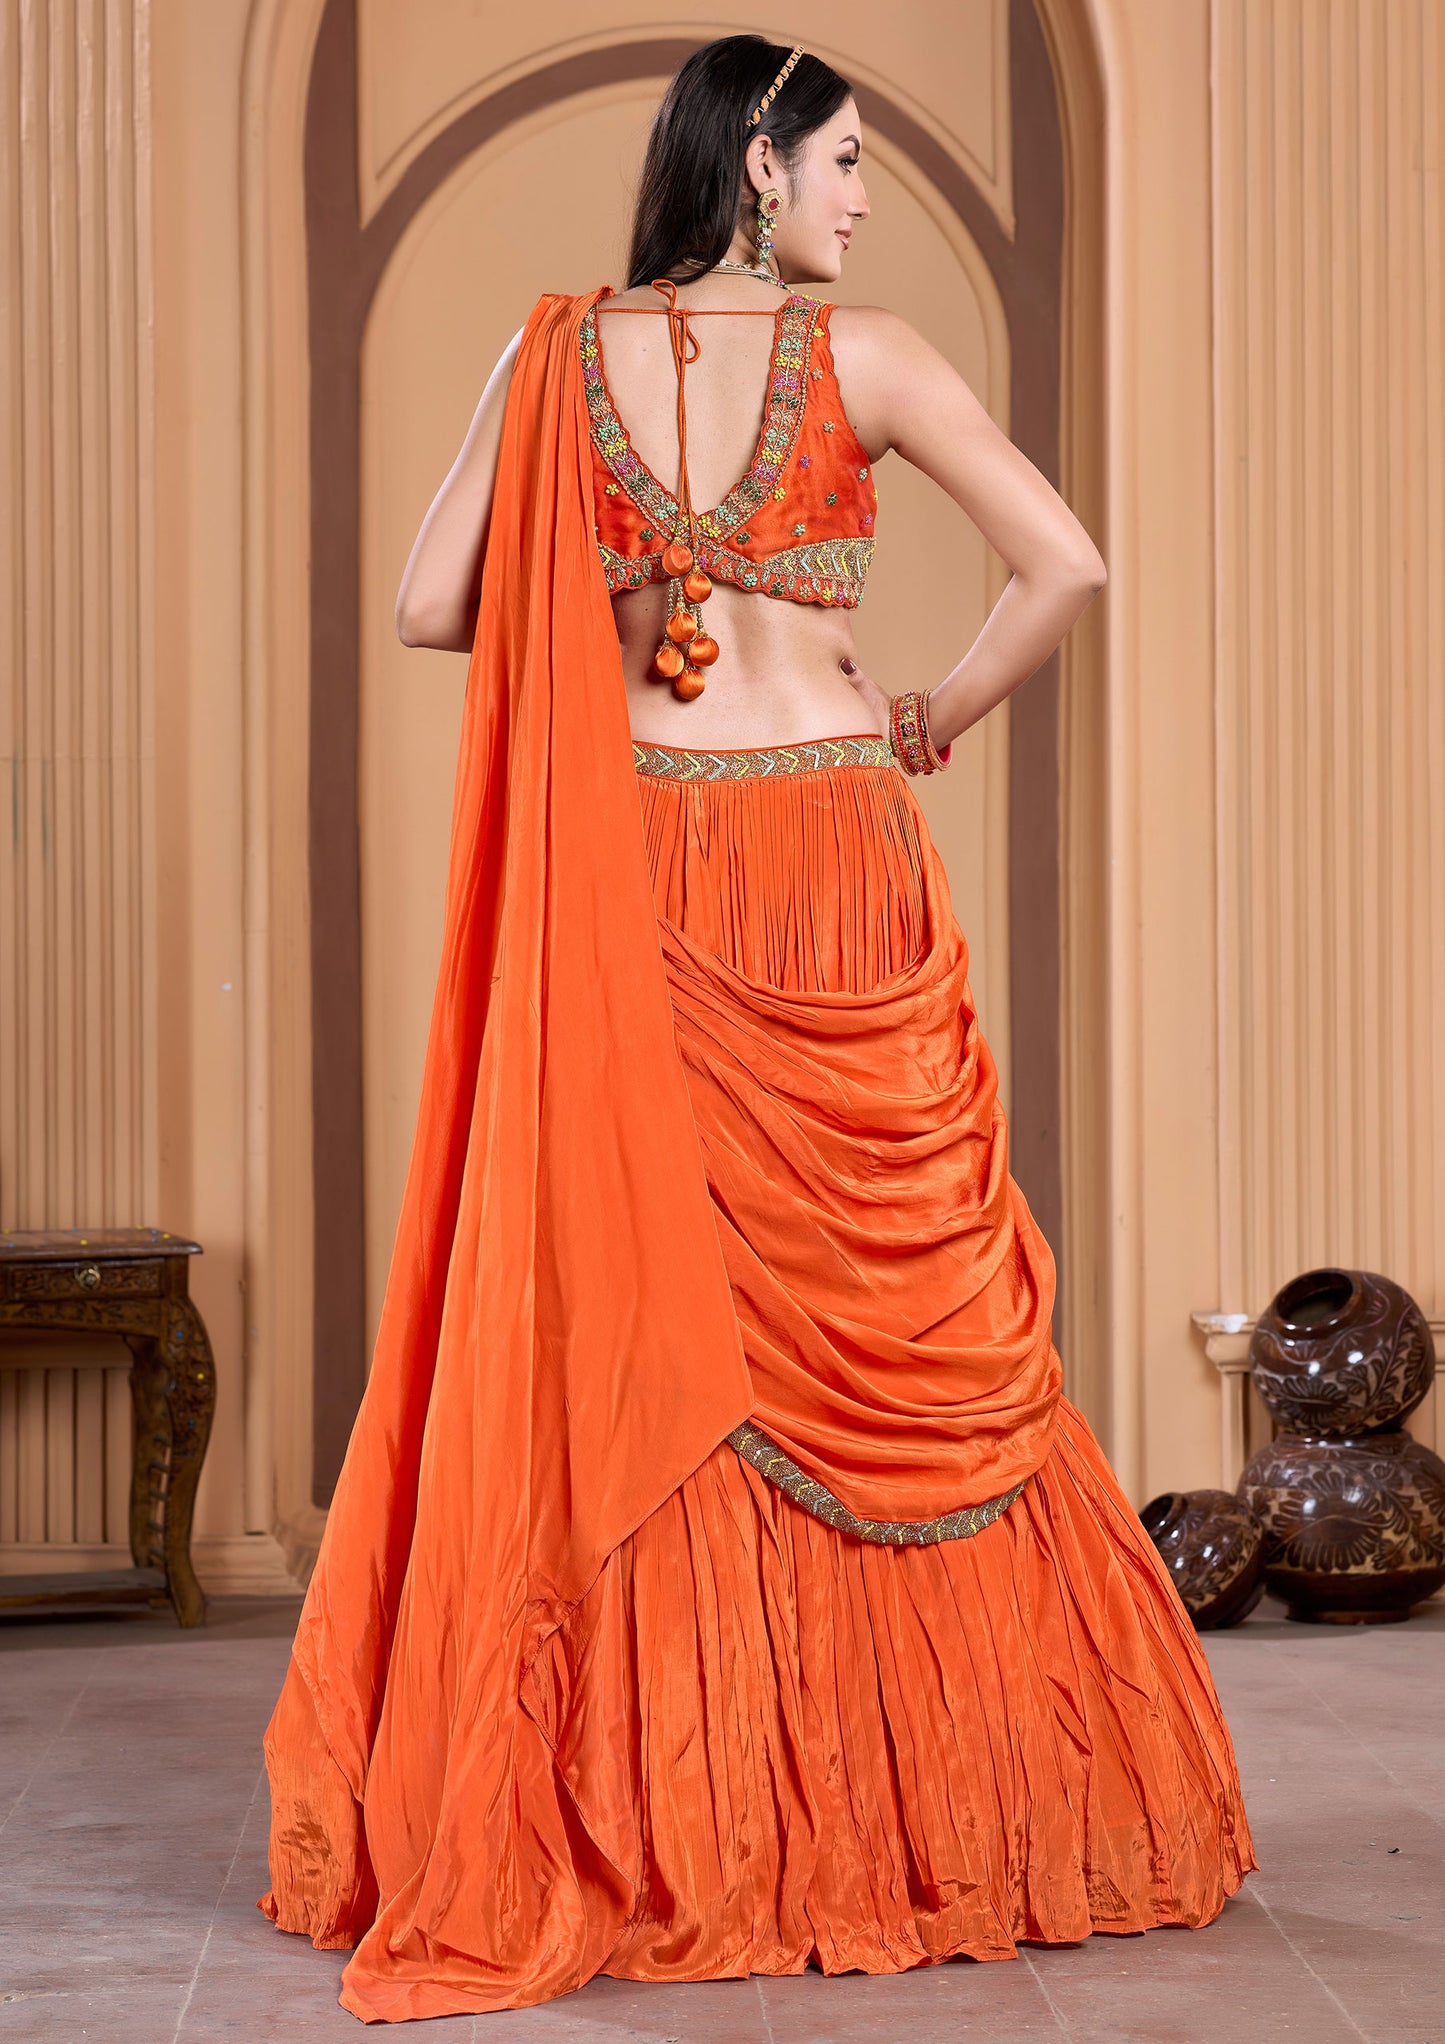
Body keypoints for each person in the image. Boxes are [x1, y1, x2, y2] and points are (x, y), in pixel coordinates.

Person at [257, 33, 1255, 2024]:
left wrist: (637, 590)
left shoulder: (549, 357)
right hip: (831, 836)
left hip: (642, 867)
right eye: (849, 165)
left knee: (650, 1318)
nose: (867, 200)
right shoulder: (866, 359)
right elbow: (1069, 563)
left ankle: (685, 1817)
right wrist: (934, 711)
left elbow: (429, 604)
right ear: (760, 170)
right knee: (912, 1335)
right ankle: (910, 1818)